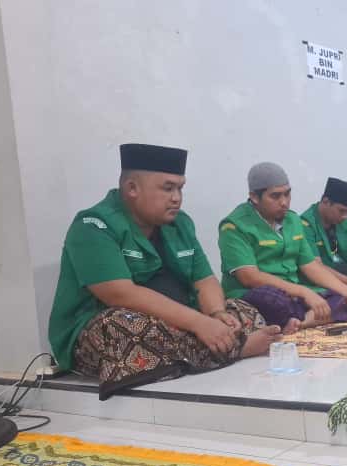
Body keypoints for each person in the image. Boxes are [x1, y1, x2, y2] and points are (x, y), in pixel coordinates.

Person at [48, 144, 282, 399]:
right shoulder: (94, 226)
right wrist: (199, 323)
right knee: (122, 326)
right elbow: (120, 294)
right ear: (132, 188)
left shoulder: (180, 223)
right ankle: (236, 348)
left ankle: (212, 347)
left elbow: (204, 280)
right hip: (106, 330)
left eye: (180, 188)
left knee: (242, 308)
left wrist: (217, 314)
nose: (176, 198)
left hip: (176, 319)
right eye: (167, 188)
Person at [218, 163, 347, 333]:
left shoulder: (293, 220)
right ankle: (303, 317)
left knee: (344, 299)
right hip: (256, 293)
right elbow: (250, 277)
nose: (284, 202)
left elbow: (310, 265)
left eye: (287, 194)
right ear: (254, 197)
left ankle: (299, 323)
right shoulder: (234, 226)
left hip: (293, 293)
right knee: (272, 300)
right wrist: (303, 292)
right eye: (275, 196)